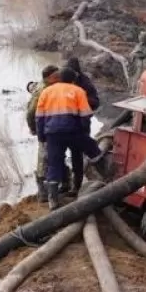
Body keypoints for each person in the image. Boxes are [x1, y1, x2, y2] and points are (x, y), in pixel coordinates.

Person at [36, 68, 105, 209]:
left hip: (53, 134)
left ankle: (53, 200)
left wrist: (42, 136)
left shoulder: (46, 91)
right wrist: (83, 132)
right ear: (73, 80)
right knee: (93, 149)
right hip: (73, 131)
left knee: (54, 164)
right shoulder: (78, 91)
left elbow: (39, 118)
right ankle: (107, 175)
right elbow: (86, 115)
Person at [26, 64, 62, 198]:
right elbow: (31, 112)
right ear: (49, 78)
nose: (59, 78)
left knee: (55, 155)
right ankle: (43, 192)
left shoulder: (50, 86)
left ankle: (57, 187)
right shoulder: (42, 91)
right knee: (44, 158)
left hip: (55, 126)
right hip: (46, 128)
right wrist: (33, 128)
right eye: (56, 76)